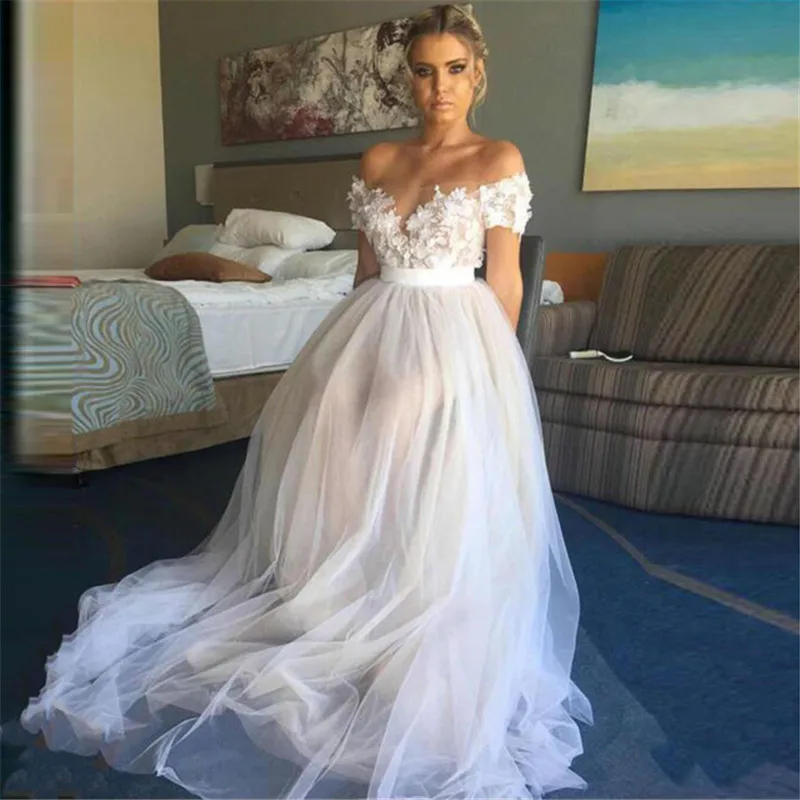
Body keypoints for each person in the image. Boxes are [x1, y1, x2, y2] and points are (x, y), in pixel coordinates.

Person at [21, 5, 592, 798]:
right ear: (407, 79)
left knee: (411, 459)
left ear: (479, 75)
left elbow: (505, 282)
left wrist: (490, 375)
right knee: (335, 456)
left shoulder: (498, 157)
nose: (440, 87)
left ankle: (405, 605)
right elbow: (364, 274)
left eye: (455, 70)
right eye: (424, 71)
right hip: (372, 322)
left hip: (452, 331)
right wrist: (342, 360)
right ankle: (336, 596)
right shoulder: (380, 157)